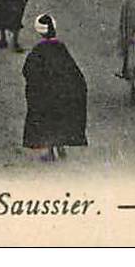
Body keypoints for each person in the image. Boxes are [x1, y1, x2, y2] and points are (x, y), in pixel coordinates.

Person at [22, 14, 87, 162]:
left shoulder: (38, 50)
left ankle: (51, 150)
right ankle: (60, 145)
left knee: (47, 121)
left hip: (47, 94)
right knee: (59, 118)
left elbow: (27, 70)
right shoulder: (61, 48)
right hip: (63, 93)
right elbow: (74, 72)